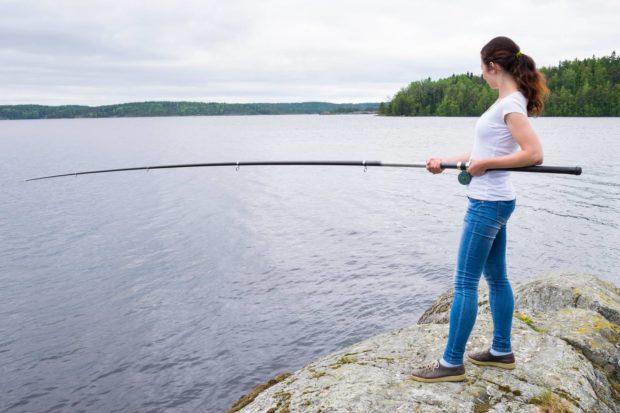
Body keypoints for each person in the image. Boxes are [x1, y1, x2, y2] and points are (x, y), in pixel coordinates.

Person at [410, 36, 549, 383]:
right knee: (497, 279)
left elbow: (533, 154)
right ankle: (501, 351)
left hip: (487, 203)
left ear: (492, 66)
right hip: (497, 199)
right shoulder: (506, 101)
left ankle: (451, 362)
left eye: (482, 69)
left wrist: (486, 164)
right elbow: (481, 153)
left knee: (465, 284)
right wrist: (446, 162)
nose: (482, 76)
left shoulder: (510, 105)